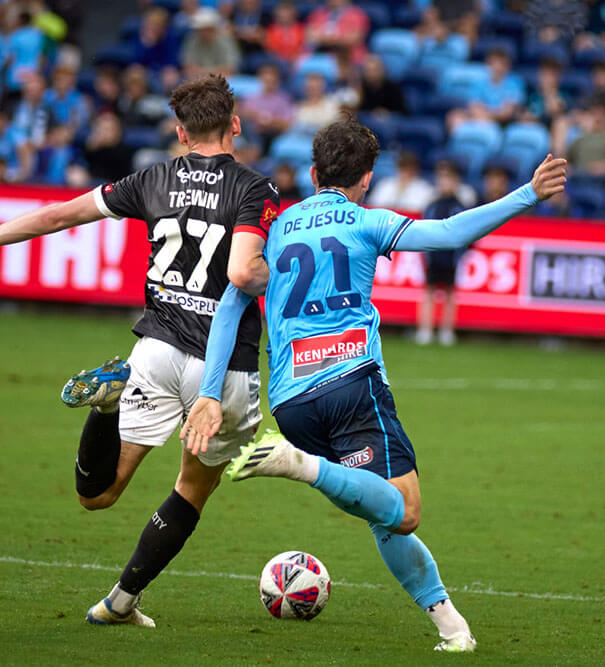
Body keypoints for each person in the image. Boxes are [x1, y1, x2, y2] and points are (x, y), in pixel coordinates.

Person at [0, 74, 279, 628]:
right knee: (193, 487)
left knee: (98, 495)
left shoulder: (153, 178)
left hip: (153, 351)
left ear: (179, 132)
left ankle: (107, 408)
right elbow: (244, 270)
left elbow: (57, 216)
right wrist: (287, 275)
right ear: (236, 125)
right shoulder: (255, 188)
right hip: (223, 368)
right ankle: (120, 601)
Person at [183, 117, 566, 653]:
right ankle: (300, 466)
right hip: (349, 383)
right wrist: (527, 193)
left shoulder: (280, 225)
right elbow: (450, 233)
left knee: (380, 508)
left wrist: (209, 391)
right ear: (366, 179)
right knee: (403, 509)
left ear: (314, 173)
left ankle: (452, 627)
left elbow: (231, 302)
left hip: (291, 400)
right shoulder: (368, 220)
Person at [416, 160, 468, 346]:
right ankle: (425, 329)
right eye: (442, 179)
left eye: (449, 179)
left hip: (451, 257)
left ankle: (447, 330)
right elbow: (423, 229)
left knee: (449, 293)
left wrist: (458, 254)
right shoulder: (432, 205)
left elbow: (467, 232)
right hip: (433, 256)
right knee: (428, 292)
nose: (445, 183)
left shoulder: (460, 206)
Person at [181, 8, 240, 79]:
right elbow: (189, 69)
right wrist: (215, 71)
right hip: (198, 80)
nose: (203, 32)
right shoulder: (192, 41)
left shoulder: (227, 41)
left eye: (206, 29)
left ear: (213, 28)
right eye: (200, 29)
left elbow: (229, 70)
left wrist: (202, 71)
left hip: (222, 81)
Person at [367, 151, 435, 212]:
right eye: (403, 168)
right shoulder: (385, 184)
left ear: (416, 169)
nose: (406, 172)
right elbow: (373, 206)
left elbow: (420, 211)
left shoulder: (425, 189)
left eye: (410, 168)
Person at [263, 1, 305, 65]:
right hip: (277, 61)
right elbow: (270, 49)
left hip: (296, 60)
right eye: (282, 11)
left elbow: (302, 47)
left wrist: (294, 57)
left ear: (293, 13)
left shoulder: (301, 29)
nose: (284, 15)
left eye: (287, 11)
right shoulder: (271, 29)